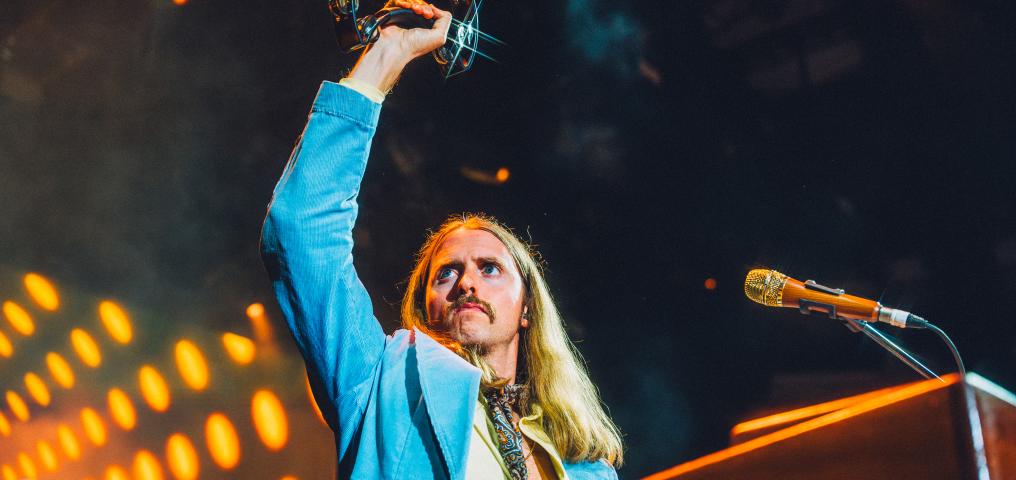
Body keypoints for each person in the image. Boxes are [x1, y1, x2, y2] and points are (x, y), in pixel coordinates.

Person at [259, 2, 623, 478]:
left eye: (489, 268)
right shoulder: (380, 380)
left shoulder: (585, 464)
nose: (466, 283)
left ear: (527, 306)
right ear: (425, 308)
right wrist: (386, 54)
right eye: (445, 273)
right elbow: (300, 228)